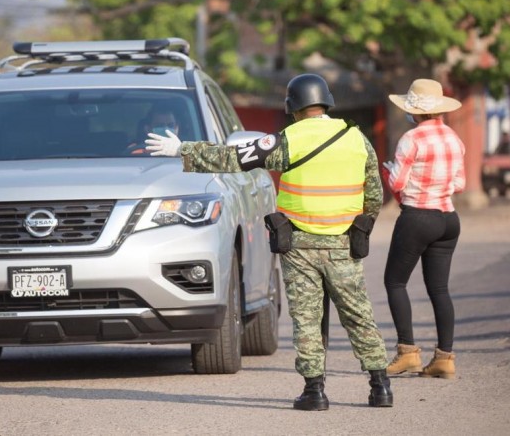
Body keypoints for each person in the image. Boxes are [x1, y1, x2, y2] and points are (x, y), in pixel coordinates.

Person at [146, 74, 392, 411]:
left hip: (301, 245)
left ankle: (314, 392)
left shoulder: (288, 139)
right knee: (358, 314)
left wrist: (182, 149)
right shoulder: (357, 139)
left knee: (306, 318)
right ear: (326, 102)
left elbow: (233, 158)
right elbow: (374, 196)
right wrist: (358, 229)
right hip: (343, 244)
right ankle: (380, 387)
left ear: (293, 106)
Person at [382, 78, 465, 380]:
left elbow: (397, 183)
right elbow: (460, 183)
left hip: (418, 216)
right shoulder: (454, 139)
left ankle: (407, 353)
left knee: (395, 282)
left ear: (413, 111)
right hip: (448, 219)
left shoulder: (411, 139)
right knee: (440, 289)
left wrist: (390, 172)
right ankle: (444, 359)